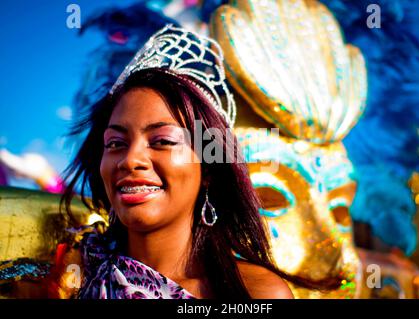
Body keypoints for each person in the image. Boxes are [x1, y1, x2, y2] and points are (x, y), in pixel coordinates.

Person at [56, 25, 330, 299]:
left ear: (209, 167)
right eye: (116, 143)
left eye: (162, 141)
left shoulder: (257, 294)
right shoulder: (67, 274)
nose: (131, 160)